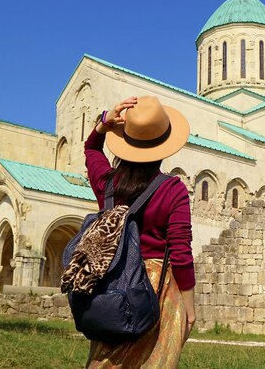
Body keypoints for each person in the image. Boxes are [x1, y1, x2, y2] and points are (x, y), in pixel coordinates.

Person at [83, 95, 195, 368]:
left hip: (113, 283)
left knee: (108, 358)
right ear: (164, 145)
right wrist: (189, 310)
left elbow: (91, 150)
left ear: (126, 142)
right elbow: (180, 252)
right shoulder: (173, 189)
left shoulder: (107, 183)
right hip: (158, 291)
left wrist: (104, 125)